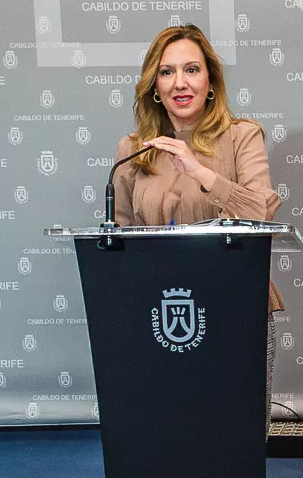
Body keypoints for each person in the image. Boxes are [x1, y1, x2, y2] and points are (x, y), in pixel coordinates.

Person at [113, 24, 285, 409]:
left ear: (210, 81)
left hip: (236, 303)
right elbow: (119, 239)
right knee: (164, 425)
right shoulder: (132, 150)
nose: (180, 83)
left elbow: (262, 213)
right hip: (157, 312)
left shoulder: (242, 136)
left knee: (236, 426)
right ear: (154, 86)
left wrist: (200, 172)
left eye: (191, 69)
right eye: (167, 72)